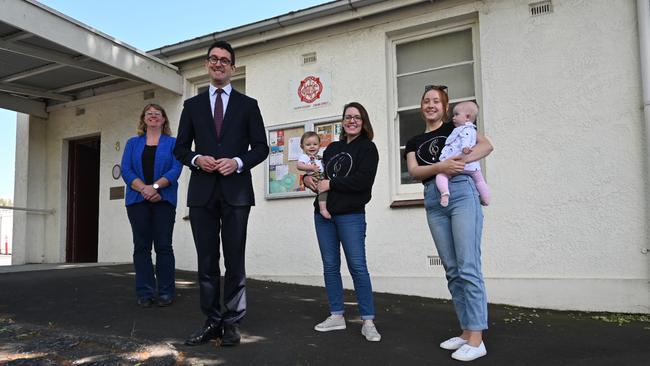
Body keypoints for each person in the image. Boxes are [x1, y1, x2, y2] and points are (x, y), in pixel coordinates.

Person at [174, 40, 269, 347]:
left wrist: (238, 162)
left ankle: (231, 321)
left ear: (232, 67)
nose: (218, 64)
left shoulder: (248, 105)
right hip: (202, 193)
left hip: (237, 193)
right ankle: (212, 320)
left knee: (235, 260)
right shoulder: (192, 106)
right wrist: (196, 159)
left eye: (224, 60)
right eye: (213, 59)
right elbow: (179, 149)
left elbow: (261, 147)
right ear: (207, 64)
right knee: (206, 261)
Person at [404, 85, 493, 362]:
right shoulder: (414, 140)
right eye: (426, 101)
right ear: (422, 107)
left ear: (445, 107)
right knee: (453, 270)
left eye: (436, 101)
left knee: (468, 265)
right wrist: (441, 167)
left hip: (462, 192)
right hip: (433, 199)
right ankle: (467, 332)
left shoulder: (456, 126)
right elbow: (415, 171)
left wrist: (460, 161)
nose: (431, 105)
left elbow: (486, 145)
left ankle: (477, 339)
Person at [304, 102, 382, 342]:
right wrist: (309, 180)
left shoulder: (368, 148)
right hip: (323, 214)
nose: (352, 121)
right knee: (330, 266)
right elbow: (322, 177)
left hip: (351, 215)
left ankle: (367, 320)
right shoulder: (332, 149)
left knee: (358, 266)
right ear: (343, 121)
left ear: (363, 121)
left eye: (357, 117)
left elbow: (363, 182)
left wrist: (332, 184)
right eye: (348, 117)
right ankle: (336, 315)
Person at [121, 103, 182, 308]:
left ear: (164, 119)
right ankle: (145, 292)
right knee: (142, 247)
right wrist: (145, 189)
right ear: (143, 119)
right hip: (137, 201)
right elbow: (126, 170)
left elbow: (175, 169)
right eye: (149, 113)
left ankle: (166, 292)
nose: (153, 116)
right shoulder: (132, 143)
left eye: (158, 113)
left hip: (163, 201)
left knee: (164, 246)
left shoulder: (173, 143)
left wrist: (155, 187)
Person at [435, 101, 490, 207]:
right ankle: (486, 198)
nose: (453, 118)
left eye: (456, 115)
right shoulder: (472, 130)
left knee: (441, 175)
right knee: (480, 180)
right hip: (472, 166)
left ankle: (445, 193)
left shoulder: (464, 129)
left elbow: (466, 139)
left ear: (467, 117)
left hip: (456, 165)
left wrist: (465, 148)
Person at [296, 131, 331, 219]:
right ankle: (323, 209)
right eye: (308, 144)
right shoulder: (305, 156)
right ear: (302, 147)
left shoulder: (318, 157)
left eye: (315, 144)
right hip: (316, 177)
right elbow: (299, 166)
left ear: (319, 146)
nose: (312, 146)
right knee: (323, 192)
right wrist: (311, 167)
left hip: (322, 176)